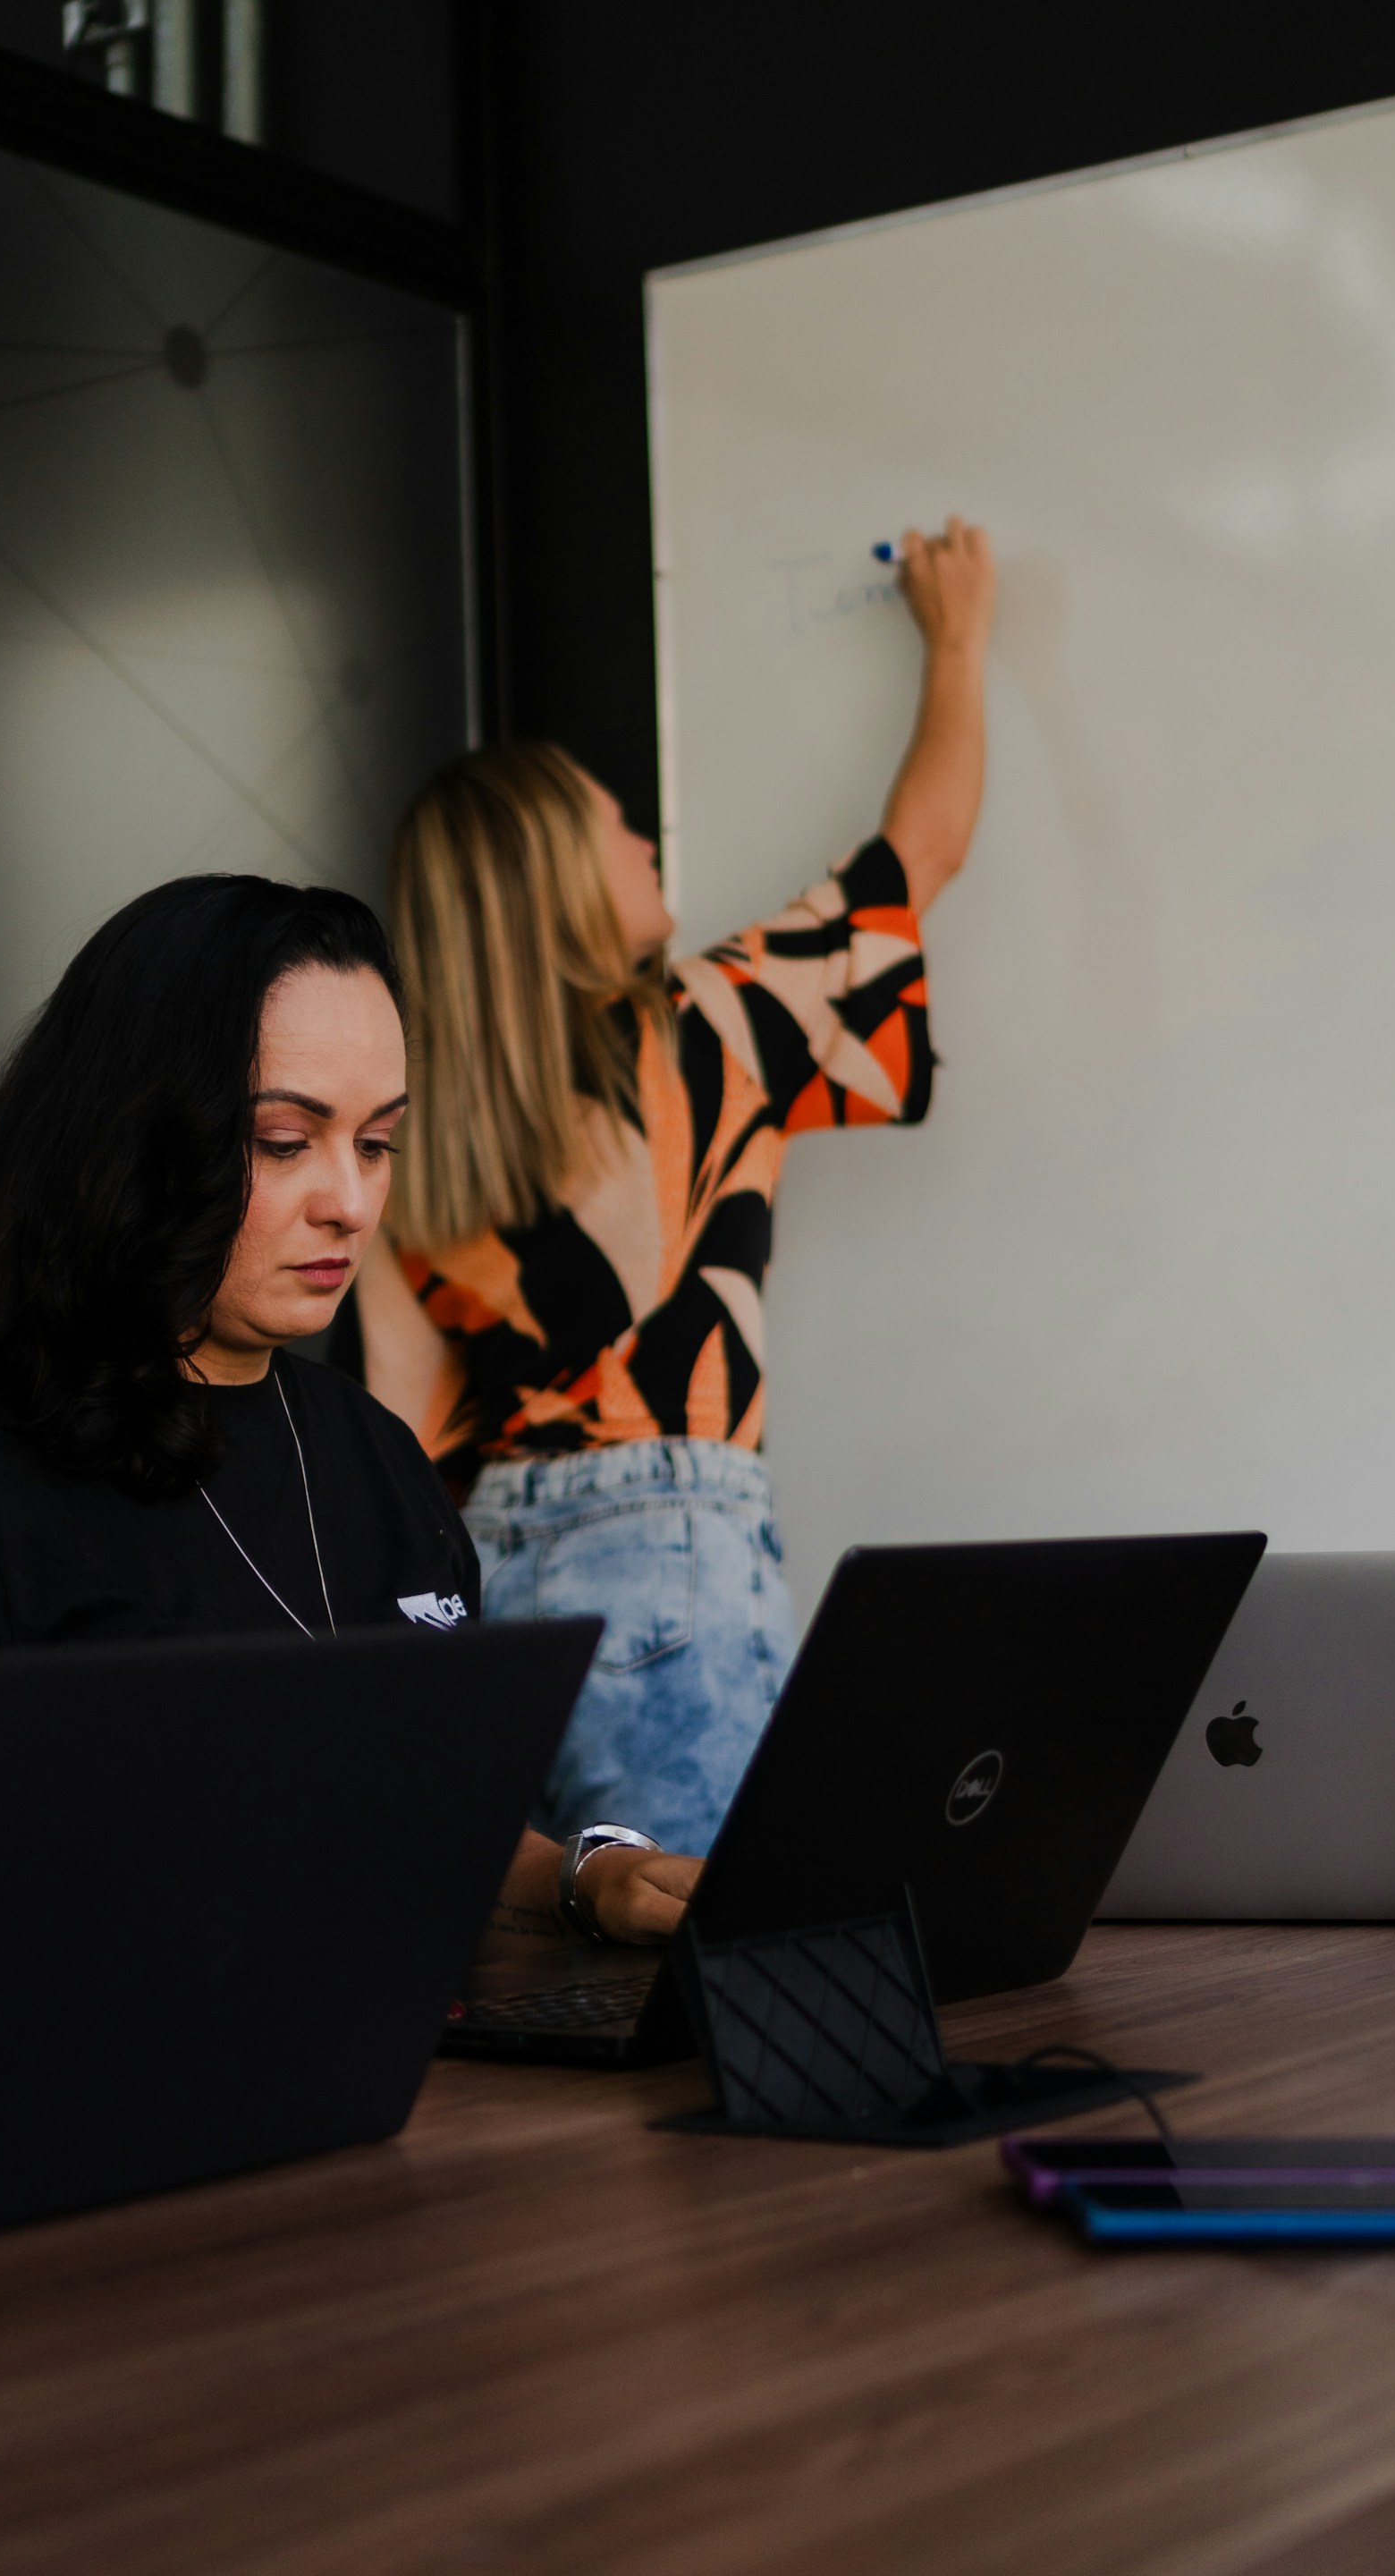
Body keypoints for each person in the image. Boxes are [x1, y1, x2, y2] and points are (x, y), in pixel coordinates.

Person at [0, 875, 700, 2063]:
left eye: (377, 1144)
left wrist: (589, 1880)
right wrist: (125, 1949)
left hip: (370, 2120)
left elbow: (420, 1836)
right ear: (135, 1135)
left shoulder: (373, 1457)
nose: (352, 1202)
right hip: (86, 2164)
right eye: (285, 1142)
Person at [342, 519, 996, 1854]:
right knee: (697, 1974)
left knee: (550, 1968)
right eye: (613, 824)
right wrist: (960, 640)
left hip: (495, 1584)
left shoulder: (410, 1138)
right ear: (559, 885)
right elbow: (919, 851)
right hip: (672, 1568)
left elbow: (394, 1444)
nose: (644, 841)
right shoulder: (707, 1028)